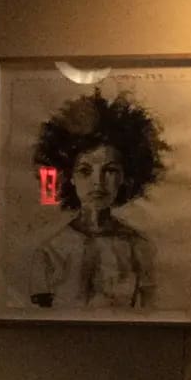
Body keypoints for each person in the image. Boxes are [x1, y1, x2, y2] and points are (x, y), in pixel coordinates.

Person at [28, 89, 167, 310]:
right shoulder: (50, 252)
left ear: (125, 176)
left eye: (110, 170)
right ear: (69, 177)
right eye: (84, 170)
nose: (97, 182)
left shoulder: (139, 248)